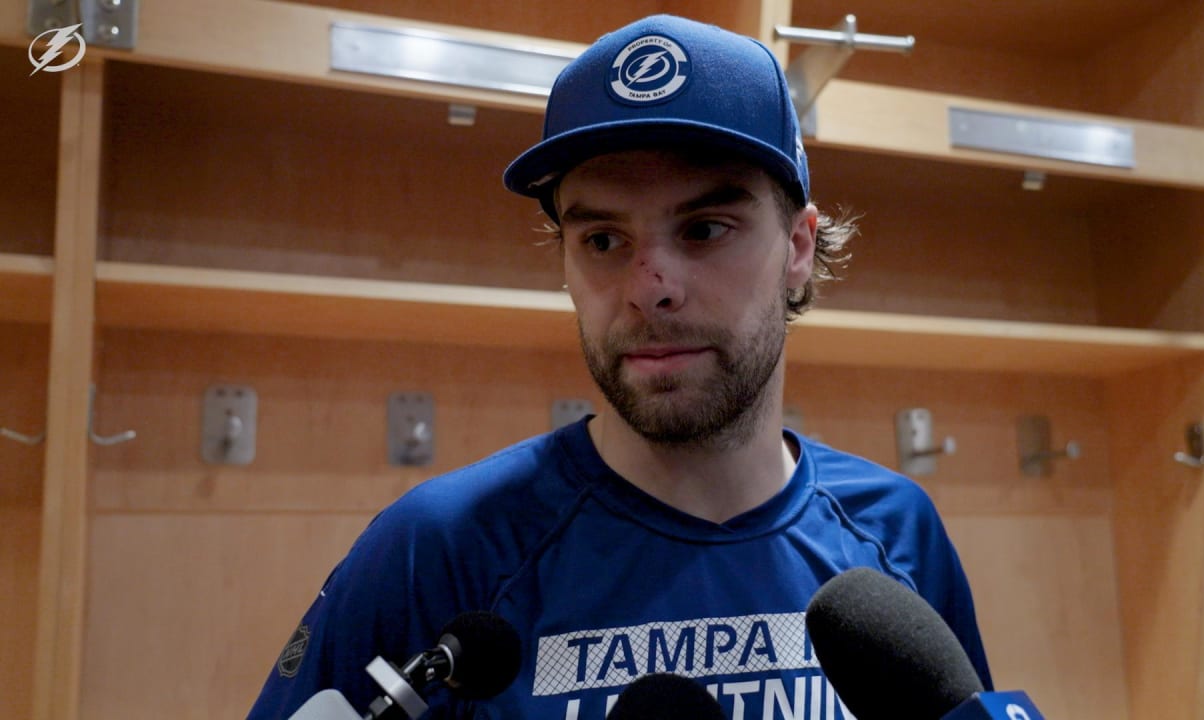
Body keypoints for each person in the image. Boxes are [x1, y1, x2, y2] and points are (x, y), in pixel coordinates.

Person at [247, 14, 992, 720]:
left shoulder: (897, 534)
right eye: (603, 241)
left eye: (704, 228)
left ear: (798, 247)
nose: (649, 287)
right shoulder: (437, 547)